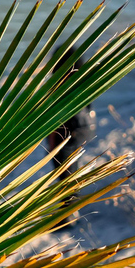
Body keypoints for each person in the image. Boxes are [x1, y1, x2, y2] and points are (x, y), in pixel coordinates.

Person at [47, 47, 97, 178]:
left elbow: (53, 122)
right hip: (85, 128)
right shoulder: (82, 81)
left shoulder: (58, 88)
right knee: (75, 173)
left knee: (66, 182)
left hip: (66, 137)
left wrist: (51, 148)